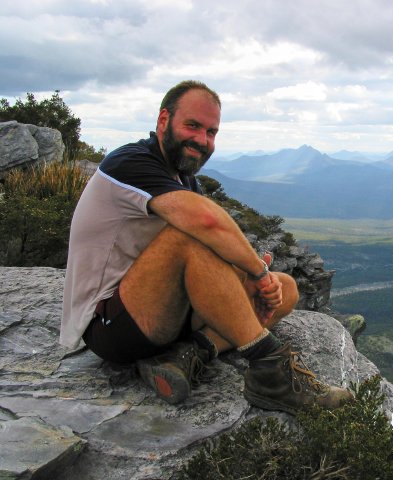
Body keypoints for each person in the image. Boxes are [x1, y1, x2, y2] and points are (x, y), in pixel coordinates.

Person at [60, 80, 352, 412]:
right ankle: (271, 373)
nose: (202, 140)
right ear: (163, 120)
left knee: (285, 288)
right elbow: (207, 224)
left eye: (211, 132)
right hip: (111, 326)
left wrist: (251, 272)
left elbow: (211, 246)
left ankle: (188, 355)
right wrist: (256, 272)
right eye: (193, 126)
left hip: (164, 310)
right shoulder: (129, 164)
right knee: (189, 237)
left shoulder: (183, 179)